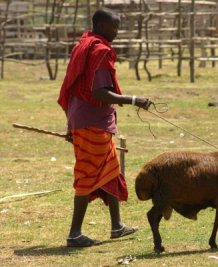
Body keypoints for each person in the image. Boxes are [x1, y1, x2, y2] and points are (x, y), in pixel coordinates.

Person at [57, 8, 152, 247]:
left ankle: (117, 227)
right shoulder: (99, 50)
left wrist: (71, 123)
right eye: (114, 27)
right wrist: (134, 100)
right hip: (92, 123)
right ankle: (74, 234)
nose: (117, 32)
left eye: (118, 27)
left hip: (83, 118)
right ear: (100, 24)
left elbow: (73, 89)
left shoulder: (83, 45)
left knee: (110, 170)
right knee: (88, 174)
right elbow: (98, 92)